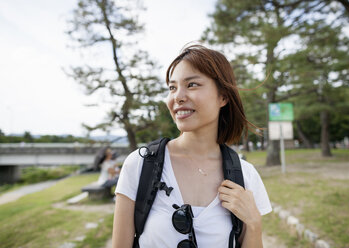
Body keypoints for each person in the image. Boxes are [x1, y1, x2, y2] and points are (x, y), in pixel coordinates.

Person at [112, 44, 272, 248]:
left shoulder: (245, 176)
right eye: (172, 87)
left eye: (192, 84)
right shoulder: (140, 164)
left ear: (223, 96)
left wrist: (254, 222)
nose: (177, 97)